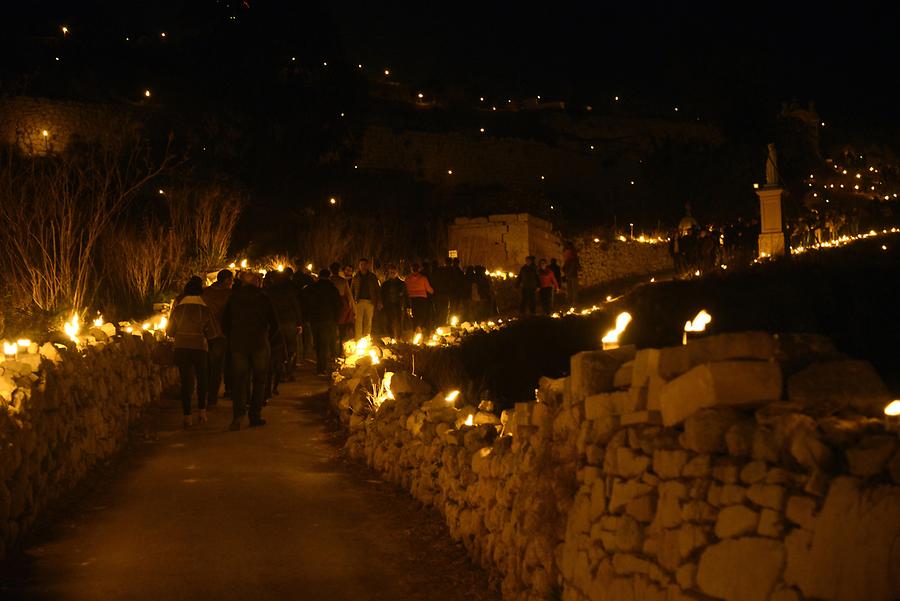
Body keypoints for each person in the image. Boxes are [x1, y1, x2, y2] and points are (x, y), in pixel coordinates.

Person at [221, 271, 277, 430]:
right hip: (259, 343)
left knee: (239, 381)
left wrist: (232, 337)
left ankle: (238, 416)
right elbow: (274, 323)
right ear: (256, 283)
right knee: (259, 381)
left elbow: (224, 322)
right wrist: (268, 339)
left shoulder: (234, 298)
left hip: (239, 344)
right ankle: (255, 415)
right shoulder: (263, 298)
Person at [168, 276, 221, 427]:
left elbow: (170, 331)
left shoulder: (178, 309)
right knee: (202, 379)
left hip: (181, 348)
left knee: (186, 381)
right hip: (199, 348)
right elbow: (212, 333)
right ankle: (202, 411)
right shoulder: (204, 309)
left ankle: (187, 416)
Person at [265, 270, 302, 396]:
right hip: (289, 322)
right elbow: (296, 306)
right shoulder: (289, 291)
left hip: (275, 323)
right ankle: (289, 372)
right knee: (291, 348)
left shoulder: (269, 291)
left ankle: (277, 373)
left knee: (276, 350)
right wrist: (299, 322)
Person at [202, 269, 233, 408]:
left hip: (207, 333)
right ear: (227, 280)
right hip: (222, 334)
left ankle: (208, 394)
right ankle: (217, 395)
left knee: (208, 366)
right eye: (231, 280)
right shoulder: (228, 295)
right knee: (220, 366)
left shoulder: (206, 293)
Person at [304, 269, 342, 376]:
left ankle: (321, 366)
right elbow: (338, 305)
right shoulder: (333, 289)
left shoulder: (312, 288)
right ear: (329, 276)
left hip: (315, 320)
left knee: (318, 343)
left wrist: (307, 317)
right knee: (325, 344)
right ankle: (322, 368)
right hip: (328, 319)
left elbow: (307, 303)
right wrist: (336, 319)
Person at [351, 258, 381, 339]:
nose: (363, 266)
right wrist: (352, 302)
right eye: (361, 264)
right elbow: (352, 290)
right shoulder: (356, 277)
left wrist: (378, 301)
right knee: (358, 322)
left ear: (367, 265)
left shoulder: (372, 277)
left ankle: (366, 339)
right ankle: (358, 339)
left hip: (370, 301)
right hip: (359, 301)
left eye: (364, 264)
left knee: (368, 321)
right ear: (359, 266)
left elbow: (377, 289)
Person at [330, 262, 355, 349]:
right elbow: (349, 295)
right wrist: (352, 308)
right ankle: (340, 347)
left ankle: (334, 348)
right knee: (341, 328)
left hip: (332, 305)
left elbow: (349, 295)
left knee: (333, 327)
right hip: (342, 305)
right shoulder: (342, 281)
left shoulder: (329, 280)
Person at [405, 262, 434, 332]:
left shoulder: (408, 278)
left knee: (415, 314)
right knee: (422, 314)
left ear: (411, 269)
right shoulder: (423, 278)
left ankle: (415, 329)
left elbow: (406, 288)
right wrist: (433, 292)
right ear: (418, 269)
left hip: (412, 298)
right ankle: (421, 328)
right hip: (422, 299)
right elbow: (428, 289)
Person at [381, 263, 407, 339]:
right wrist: (381, 303)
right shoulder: (385, 284)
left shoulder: (402, 283)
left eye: (394, 272)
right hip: (388, 304)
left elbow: (406, 295)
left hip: (399, 305)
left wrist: (408, 306)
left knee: (399, 322)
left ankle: (399, 338)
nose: (392, 274)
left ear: (397, 273)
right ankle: (391, 337)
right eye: (391, 272)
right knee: (389, 321)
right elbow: (382, 294)